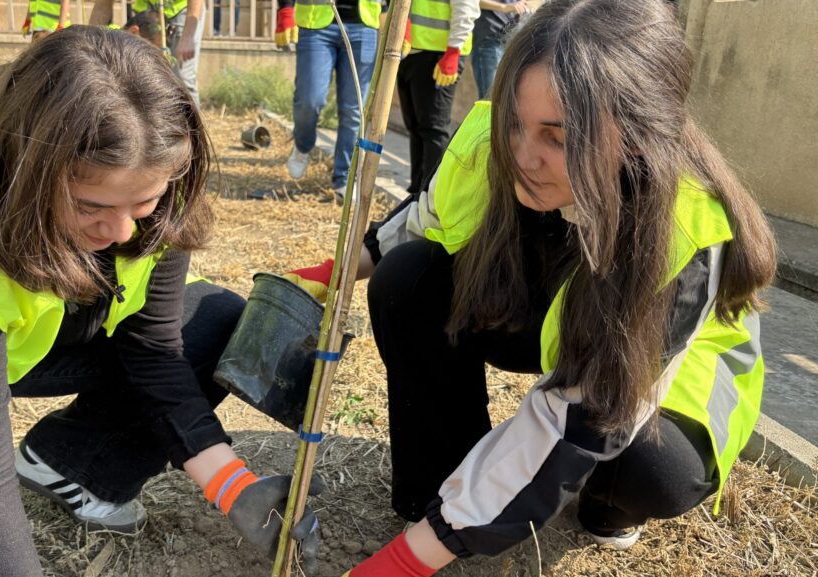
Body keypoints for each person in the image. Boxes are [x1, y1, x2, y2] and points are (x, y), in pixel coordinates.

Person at [0, 27, 319, 577]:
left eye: (143, 202)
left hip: (29, 345)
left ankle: (70, 463)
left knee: (215, 325)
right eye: (89, 205)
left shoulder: (156, 191)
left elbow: (156, 355)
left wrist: (235, 488)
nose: (119, 230)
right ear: (26, 174)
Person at [293, 1, 777, 575]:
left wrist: (400, 564)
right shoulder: (489, 140)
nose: (524, 156)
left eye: (558, 137)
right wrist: (330, 274)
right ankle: (443, 484)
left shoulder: (682, 233)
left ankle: (604, 501)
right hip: (552, 320)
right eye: (515, 123)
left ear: (639, 138)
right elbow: (423, 220)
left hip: (660, 387)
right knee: (409, 280)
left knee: (651, 470)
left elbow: (581, 414)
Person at [277, 0, 381, 203]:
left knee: (354, 110)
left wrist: (403, 23)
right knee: (310, 99)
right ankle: (303, 145)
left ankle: (344, 178)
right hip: (317, 25)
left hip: (364, 28)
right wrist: (286, 9)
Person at [396, 0, 480, 196]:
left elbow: (465, 9)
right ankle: (416, 192)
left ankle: (430, 196)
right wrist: (404, 24)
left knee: (433, 129)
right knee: (415, 126)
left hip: (440, 55)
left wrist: (453, 51)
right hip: (409, 50)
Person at [131, 0, 205, 104]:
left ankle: (190, 119)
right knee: (143, 77)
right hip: (145, 11)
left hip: (181, 10)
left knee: (182, 79)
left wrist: (188, 36)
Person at [471, 0, 529, 99]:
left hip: (513, 40)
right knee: (491, 100)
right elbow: (473, 2)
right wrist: (504, 7)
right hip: (490, 40)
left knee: (506, 100)